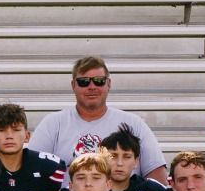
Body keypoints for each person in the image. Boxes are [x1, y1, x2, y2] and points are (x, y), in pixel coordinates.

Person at [30, 56, 167, 182]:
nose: (92, 87)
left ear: (108, 84)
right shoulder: (53, 124)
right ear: (73, 86)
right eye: (84, 82)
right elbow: (32, 171)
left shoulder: (133, 124)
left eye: (99, 81)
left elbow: (157, 176)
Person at [0, 103, 65, 191]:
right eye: (2, 130)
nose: (9, 136)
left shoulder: (46, 166)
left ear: (27, 136)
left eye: (16, 130)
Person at [102, 128, 173, 191]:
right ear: (102, 159)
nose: (119, 163)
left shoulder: (152, 190)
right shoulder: (92, 188)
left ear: (136, 162)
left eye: (127, 157)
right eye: (113, 156)